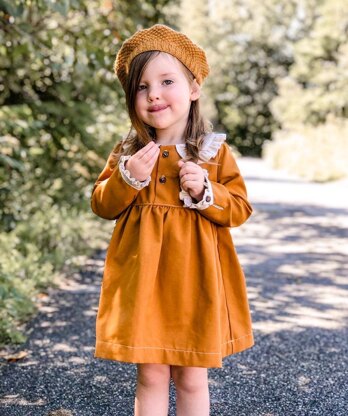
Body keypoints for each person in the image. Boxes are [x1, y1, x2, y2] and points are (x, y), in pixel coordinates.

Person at [90, 24, 254, 416]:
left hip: (195, 282)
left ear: (194, 88)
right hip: (144, 282)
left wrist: (205, 192)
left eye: (166, 81)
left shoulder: (213, 153)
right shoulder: (128, 152)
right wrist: (128, 178)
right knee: (150, 376)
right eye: (142, 87)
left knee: (192, 378)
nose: (154, 94)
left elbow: (240, 208)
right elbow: (101, 204)